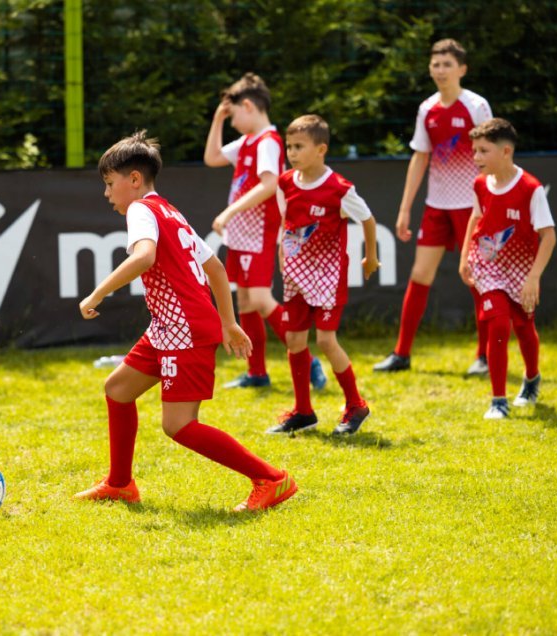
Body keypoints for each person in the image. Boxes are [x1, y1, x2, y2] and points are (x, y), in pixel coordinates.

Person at [75, 131, 297, 512]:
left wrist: (98, 293)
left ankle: (272, 479)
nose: (107, 194)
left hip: (184, 330)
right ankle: (120, 484)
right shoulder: (169, 210)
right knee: (118, 389)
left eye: (110, 184)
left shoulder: (141, 210)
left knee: (178, 425)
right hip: (168, 327)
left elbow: (144, 257)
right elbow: (214, 266)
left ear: (134, 180)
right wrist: (227, 322)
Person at [375, 39, 493, 374]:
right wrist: (404, 208)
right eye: (435, 64)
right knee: (419, 275)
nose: (440, 70)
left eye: (446, 64)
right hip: (435, 205)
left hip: (472, 206)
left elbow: (491, 152)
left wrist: (486, 201)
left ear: (462, 69)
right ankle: (401, 354)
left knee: (477, 278)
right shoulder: (427, 109)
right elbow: (420, 156)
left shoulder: (477, 106)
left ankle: (483, 356)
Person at [204, 73, 326, 390]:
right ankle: (256, 373)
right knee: (245, 302)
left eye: (232, 116)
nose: (231, 123)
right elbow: (212, 157)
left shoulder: (268, 142)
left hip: (259, 231)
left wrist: (230, 211)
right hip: (241, 234)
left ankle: (309, 359)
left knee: (259, 298)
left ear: (248, 105)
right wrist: (217, 119)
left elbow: (270, 184)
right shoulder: (246, 142)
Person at [266, 115, 379, 436]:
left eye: (299, 146)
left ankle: (356, 405)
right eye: (289, 146)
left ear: (321, 149)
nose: (292, 152)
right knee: (294, 340)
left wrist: (370, 256)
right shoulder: (286, 182)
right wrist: (282, 254)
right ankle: (303, 411)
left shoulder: (339, 189)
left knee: (326, 340)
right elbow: (286, 223)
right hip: (296, 277)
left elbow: (368, 220)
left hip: (328, 278)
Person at [459, 118, 556, 419]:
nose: (475, 158)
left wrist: (533, 278)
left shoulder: (531, 189)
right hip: (486, 266)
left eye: (483, 151)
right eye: (474, 150)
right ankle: (498, 400)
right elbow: (475, 220)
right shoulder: (478, 184)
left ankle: (531, 379)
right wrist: (464, 258)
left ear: (505, 152)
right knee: (498, 324)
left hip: (522, 271)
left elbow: (549, 236)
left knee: (525, 328)